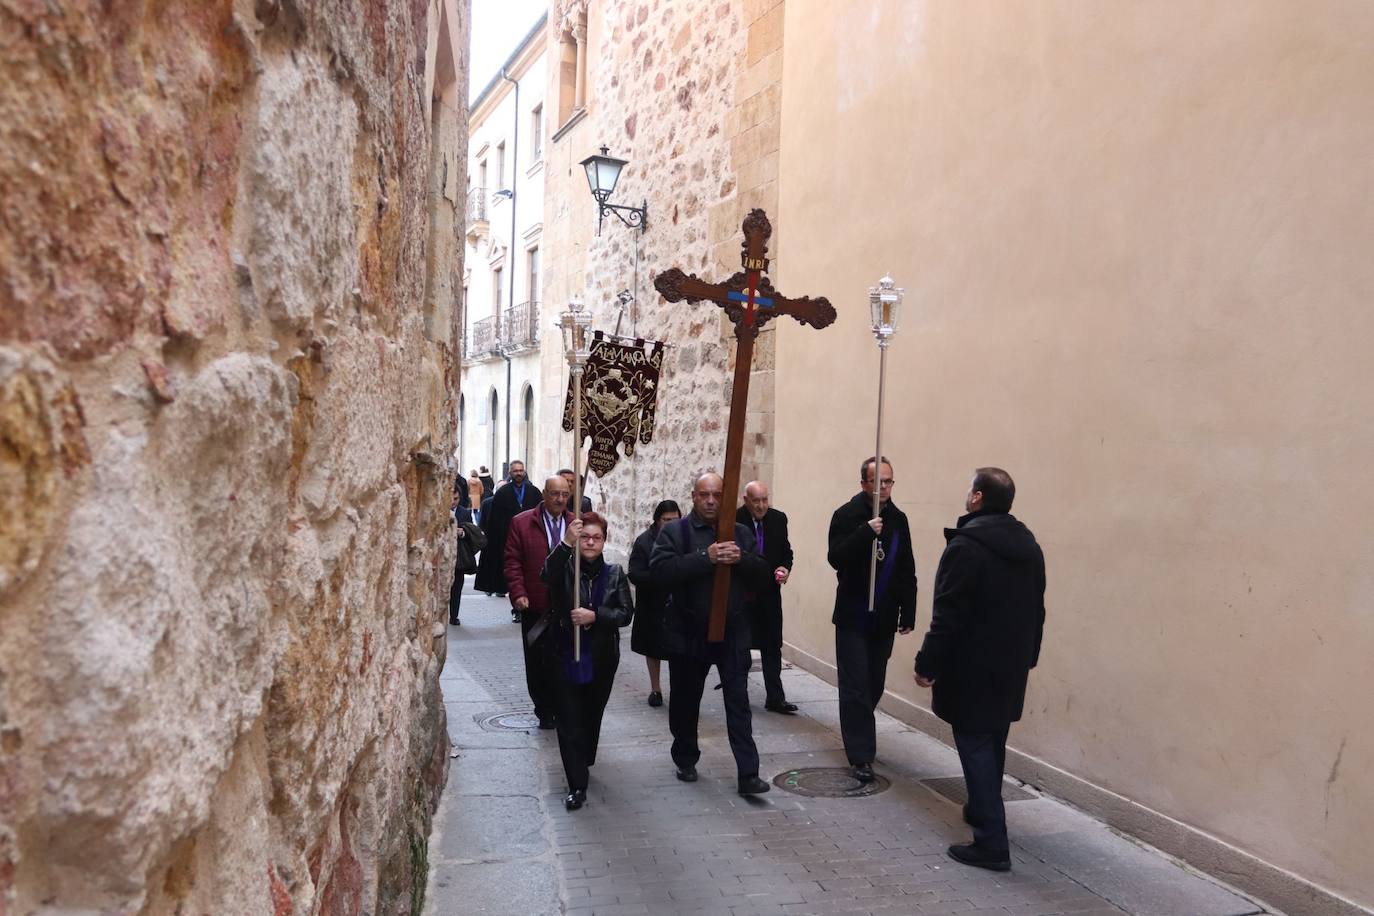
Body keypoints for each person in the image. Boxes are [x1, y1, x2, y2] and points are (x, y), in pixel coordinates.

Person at [914, 468, 1045, 872]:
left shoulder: (966, 547)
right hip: (1010, 666)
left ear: (976, 498)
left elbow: (948, 614)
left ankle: (991, 843)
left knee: (974, 745)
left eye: (969, 489)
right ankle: (980, 808)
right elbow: (1037, 611)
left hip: (971, 668)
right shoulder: (1030, 547)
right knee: (993, 743)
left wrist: (927, 663)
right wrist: (1029, 657)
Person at [650, 472, 771, 796]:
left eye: (717, 494)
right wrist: (707, 558)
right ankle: (686, 757)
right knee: (686, 701)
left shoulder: (741, 534)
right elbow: (660, 574)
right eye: (704, 494)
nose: (711, 501)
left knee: (738, 702)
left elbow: (762, 575)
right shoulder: (676, 533)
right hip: (688, 631)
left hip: (732, 631)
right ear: (693, 496)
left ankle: (748, 774)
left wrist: (741, 559)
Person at [827, 456, 917, 783]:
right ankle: (861, 755)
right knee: (854, 686)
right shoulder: (846, 515)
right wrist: (865, 533)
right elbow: (835, 557)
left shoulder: (900, 519)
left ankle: (859, 729)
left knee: (873, 683)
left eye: (888, 481)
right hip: (853, 614)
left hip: (884, 616)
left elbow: (906, 567)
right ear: (863, 483)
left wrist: (909, 609)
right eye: (877, 481)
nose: (883, 487)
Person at [542, 512, 634, 810]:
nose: (590, 542)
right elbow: (547, 574)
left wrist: (596, 616)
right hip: (565, 654)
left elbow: (625, 614)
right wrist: (566, 542)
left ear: (604, 541)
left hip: (602, 656)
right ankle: (576, 784)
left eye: (596, 538)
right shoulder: (566, 568)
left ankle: (585, 756)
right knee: (569, 719)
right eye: (585, 537)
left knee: (591, 714)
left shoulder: (616, 574)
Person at [503, 476, 574, 729]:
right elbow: (512, 562)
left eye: (565, 494)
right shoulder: (522, 523)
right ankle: (543, 709)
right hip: (536, 605)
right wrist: (518, 593)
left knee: (565, 658)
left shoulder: (575, 524)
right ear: (544, 493)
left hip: (567, 605)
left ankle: (561, 706)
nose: (560, 499)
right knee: (537, 661)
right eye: (555, 494)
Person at [734, 481, 797, 713]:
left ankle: (775, 697)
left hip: (770, 595)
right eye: (756, 501)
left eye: (765, 500)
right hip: (743, 594)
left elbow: (786, 551)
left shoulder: (778, 519)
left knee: (772, 646)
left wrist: (784, 567)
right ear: (746, 500)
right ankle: (738, 695)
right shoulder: (734, 520)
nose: (761, 506)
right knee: (741, 647)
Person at [628, 500, 682, 707]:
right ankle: (655, 689)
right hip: (652, 603)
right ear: (657, 520)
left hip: (677, 604)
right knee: (653, 648)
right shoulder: (644, 541)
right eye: (666, 520)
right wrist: (659, 577)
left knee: (678, 650)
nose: (670, 524)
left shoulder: (684, 538)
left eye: (674, 520)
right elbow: (634, 573)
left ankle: (678, 689)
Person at [474, 460, 541, 605]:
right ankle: (516, 605)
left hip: (529, 541)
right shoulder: (502, 493)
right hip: (508, 540)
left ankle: (522, 606)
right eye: (515, 471)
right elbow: (494, 522)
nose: (518, 473)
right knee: (513, 574)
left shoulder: (534, 492)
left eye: (521, 470)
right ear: (510, 473)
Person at [450, 479, 487, 626]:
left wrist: (463, 532)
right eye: (451, 499)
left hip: (459, 556)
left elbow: (471, 531)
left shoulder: (464, 512)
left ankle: (454, 615)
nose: (453, 502)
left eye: (456, 499)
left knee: (457, 587)